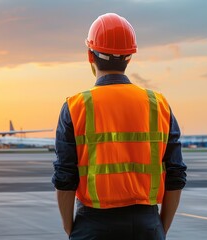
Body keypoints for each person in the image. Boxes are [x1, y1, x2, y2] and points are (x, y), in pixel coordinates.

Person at [52, 13, 187, 240]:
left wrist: (70, 228)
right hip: (147, 224)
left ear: (89, 56)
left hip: (93, 225)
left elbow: (65, 176)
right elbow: (176, 173)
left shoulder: (75, 106)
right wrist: (159, 229)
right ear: (129, 58)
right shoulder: (159, 104)